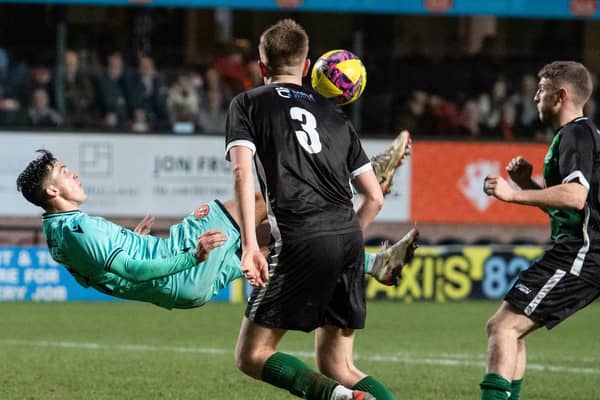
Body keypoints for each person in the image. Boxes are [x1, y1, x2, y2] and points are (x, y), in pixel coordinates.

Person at [16, 142, 415, 311]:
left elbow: (93, 280)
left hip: (182, 286)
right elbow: (133, 271)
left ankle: (371, 264)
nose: (76, 176)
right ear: (52, 190)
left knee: (276, 241)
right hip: (180, 265)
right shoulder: (77, 230)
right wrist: (191, 253)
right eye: (66, 173)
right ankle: (359, 177)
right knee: (260, 202)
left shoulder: (58, 233)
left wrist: (134, 244)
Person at [226, 19, 395, 400]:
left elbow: (241, 170)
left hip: (300, 237)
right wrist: (346, 242)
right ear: (306, 68)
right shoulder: (337, 117)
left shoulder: (248, 103)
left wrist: (251, 246)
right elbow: (374, 197)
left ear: (261, 66)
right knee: (340, 367)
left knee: (252, 355)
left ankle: (337, 399)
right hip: (348, 238)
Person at [481, 61, 599, 400]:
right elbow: (571, 208)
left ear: (560, 96)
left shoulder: (576, 133)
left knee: (502, 328)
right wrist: (527, 183)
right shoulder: (580, 134)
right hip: (580, 249)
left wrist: (513, 194)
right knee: (510, 331)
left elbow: (576, 198)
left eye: (541, 90)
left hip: (581, 254)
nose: (535, 97)